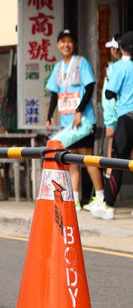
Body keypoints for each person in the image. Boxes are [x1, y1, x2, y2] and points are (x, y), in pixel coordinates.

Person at [44, 29, 102, 212]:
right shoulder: (58, 67)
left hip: (83, 121)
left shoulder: (81, 62)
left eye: (69, 41)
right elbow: (54, 93)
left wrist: (79, 110)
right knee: (71, 160)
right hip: (67, 123)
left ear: (75, 44)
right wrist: (49, 114)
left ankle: (100, 197)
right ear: (58, 44)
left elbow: (90, 87)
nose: (66, 45)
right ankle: (74, 199)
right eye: (62, 41)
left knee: (88, 158)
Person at [99, 31, 133, 220]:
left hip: (126, 117)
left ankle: (109, 206)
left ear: (122, 48)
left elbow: (109, 93)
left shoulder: (120, 67)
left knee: (117, 161)